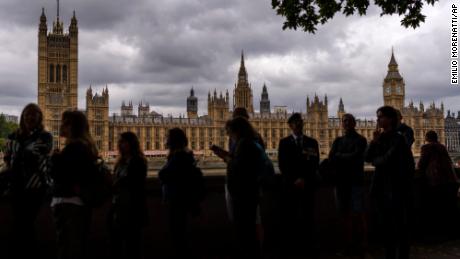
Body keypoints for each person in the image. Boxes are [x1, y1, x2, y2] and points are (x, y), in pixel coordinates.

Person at [2, 103, 53, 259]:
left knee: (27, 224)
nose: (30, 117)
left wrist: (16, 150)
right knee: (19, 224)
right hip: (16, 186)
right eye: (27, 114)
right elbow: (8, 156)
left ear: (39, 117)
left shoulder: (45, 136)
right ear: (23, 117)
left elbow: (37, 152)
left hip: (35, 187)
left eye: (34, 114)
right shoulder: (14, 136)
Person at [365, 106, 415, 259]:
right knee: (386, 228)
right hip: (381, 189)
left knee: (400, 227)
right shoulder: (380, 137)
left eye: (380, 117)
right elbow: (367, 158)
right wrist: (373, 142)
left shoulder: (398, 139)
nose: (377, 120)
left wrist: (377, 161)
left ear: (391, 119)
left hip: (396, 189)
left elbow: (387, 160)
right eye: (377, 117)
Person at [49, 110, 99, 259]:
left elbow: (62, 176)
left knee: (68, 249)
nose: (60, 126)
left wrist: (55, 160)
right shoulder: (84, 146)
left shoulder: (75, 148)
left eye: (64, 123)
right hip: (76, 203)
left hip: (69, 205)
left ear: (72, 127)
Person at [278, 112, 319, 257]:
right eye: (295, 122)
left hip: (307, 186)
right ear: (290, 125)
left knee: (308, 218)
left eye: (300, 121)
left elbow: (314, 163)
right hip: (290, 187)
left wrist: (304, 178)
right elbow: (283, 165)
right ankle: (291, 249)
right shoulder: (284, 142)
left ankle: (308, 249)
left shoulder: (312, 142)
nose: (298, 124)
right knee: (290, 219)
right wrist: (294, 179)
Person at [159, 128, 205, 258]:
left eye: (167, 137)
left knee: (179, 236)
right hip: (183, 201)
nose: (165, 139)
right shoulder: (185, 155)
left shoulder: (178, 157)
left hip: (178, 201)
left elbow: (164, 175)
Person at [328, 113, 368, 256]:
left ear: (354, 123)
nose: (345, 123)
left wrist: (339, 156)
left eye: (348, 121)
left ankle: (361, 245)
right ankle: (348, 245)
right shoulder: (338, 140)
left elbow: (356, 156)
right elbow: (331, 157)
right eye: (343, 121)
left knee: (358, 214)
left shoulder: (361, 139)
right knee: (344, 215)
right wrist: (342, 156)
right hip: (341, 182)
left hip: (356, 182)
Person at [226, 117, 263, 258]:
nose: (229, 135)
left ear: (237, 131)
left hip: (243, 194)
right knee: (249, 228)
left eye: (229, 132)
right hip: (249, 193)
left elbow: (240, 167)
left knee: (245, 230)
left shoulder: (243, 144)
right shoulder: (249, 142)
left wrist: (228, 159)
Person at [108, 132, 148, 259]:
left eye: (123, 141)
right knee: (116, 246)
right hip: (118, 208)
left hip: (132, 209)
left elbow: (131, 182)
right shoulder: (121, 162)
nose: (120, 144)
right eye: (119, 141)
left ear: (132, 144)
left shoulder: (138, 161)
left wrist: (116, 182)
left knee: (132, 246)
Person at [417, 130, 458, 237]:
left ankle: (438, 233)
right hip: (451, 180)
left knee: (436, 208)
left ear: (427, 138)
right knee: (449, 208)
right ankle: (451, 232)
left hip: (437, 181)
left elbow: (421, 165)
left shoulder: (426, 147)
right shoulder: (442, 147)